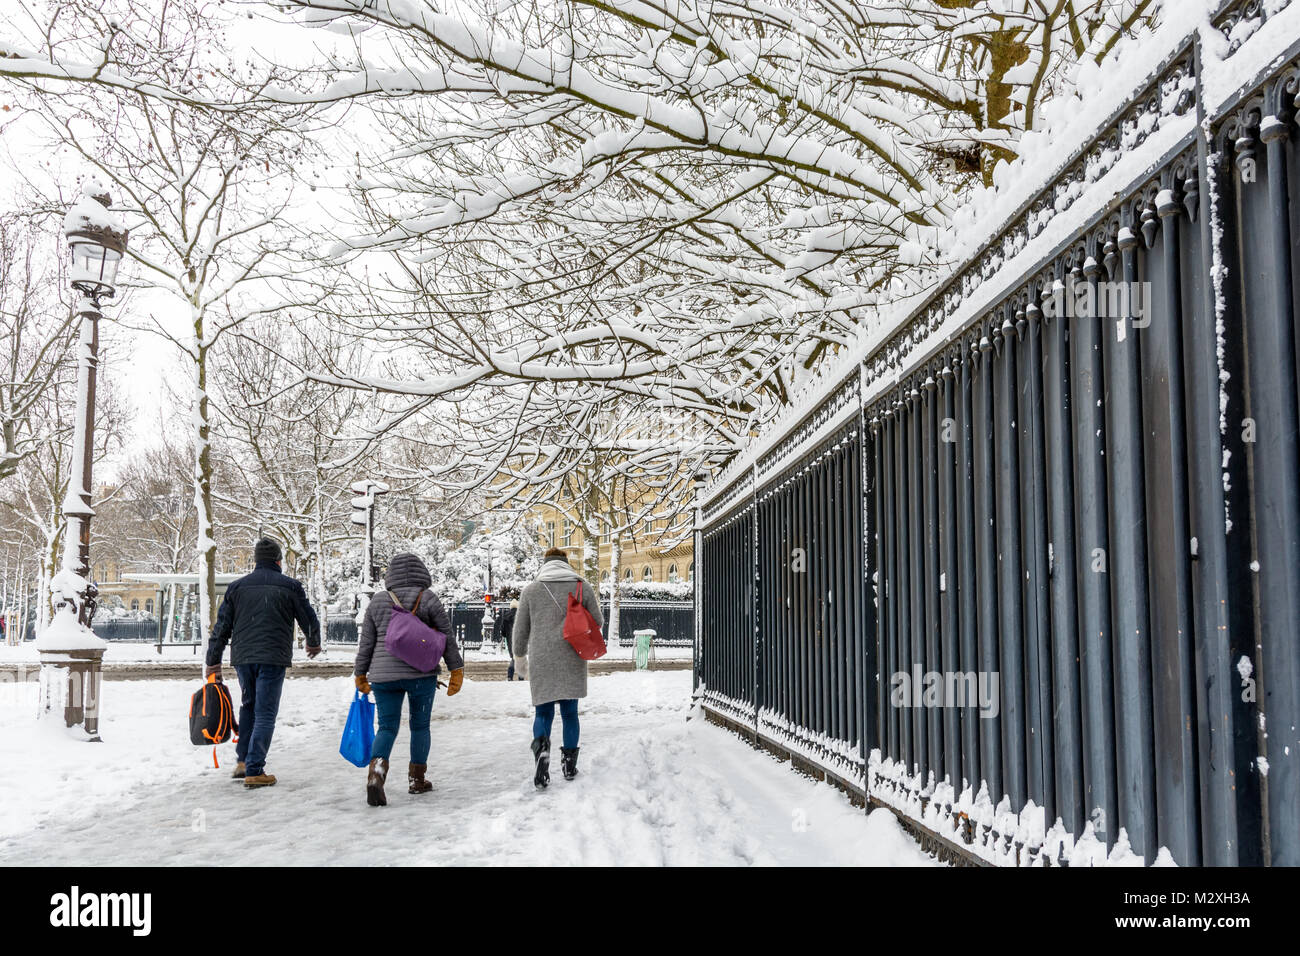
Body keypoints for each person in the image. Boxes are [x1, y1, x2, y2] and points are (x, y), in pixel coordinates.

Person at [204, 537, 321, 788]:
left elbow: (221, 627)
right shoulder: (290, 587)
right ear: (278, 561)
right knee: (265, 712)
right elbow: (308, 618)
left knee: (249, 706)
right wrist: (313, 642)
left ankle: (244, 761)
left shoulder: (237, 588)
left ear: (256, 561)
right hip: (272, 656)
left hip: (244, 658)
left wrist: (213, 661)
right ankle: (255, 770)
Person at [354, 552, 464, 807]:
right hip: (421, 675)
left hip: (383, 677)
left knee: (387, 727)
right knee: (419, 726)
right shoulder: (428, 598)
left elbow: (366, 643)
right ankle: (417, 780)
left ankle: (376, 773)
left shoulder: (378, 601)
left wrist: (360, 672)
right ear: (421, 573)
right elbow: (446, 636)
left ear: (390, 575)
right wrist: (455, 668)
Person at [513, 547, 603, 789]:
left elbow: (520, 631)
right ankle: (569, 765)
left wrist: (520, 658)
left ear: (545, 563)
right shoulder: (581, 586)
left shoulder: (531, 590)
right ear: (566, 563)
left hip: (542, 658)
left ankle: (542, 756)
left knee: (543, 713)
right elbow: (599, 621)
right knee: (570, 713)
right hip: (572, 655)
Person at [500, 593, 518, 680]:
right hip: (519, 639)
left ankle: (510, 676)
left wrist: (506, 635)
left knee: (514, 657)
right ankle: (517, 676)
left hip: (510, 640)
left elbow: (502, 630)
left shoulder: (506, 616)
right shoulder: (520, 615)